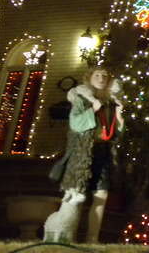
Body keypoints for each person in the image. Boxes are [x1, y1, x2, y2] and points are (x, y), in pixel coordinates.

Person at [49, 67, 124, 243]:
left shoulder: (110, 102)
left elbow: (115, 133)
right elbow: (76, 123)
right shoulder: (81, 98)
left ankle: (92, 239)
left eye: (105, 75)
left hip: (103, 152)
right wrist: (94, 109)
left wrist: (119, 114)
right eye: (97, 75)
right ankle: (65, 237)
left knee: (101, 195)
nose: (101, 78)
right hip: (82, 153)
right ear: (89, 78)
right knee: (75, 195)